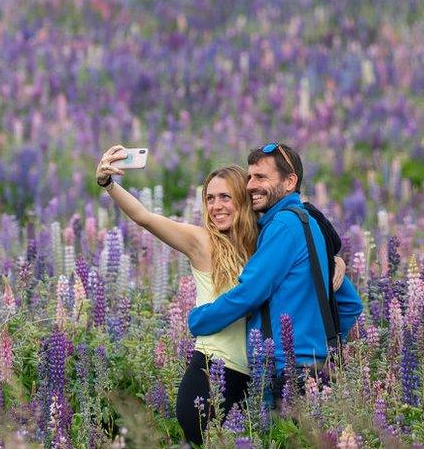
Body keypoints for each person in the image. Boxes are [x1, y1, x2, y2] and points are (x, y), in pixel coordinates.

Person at [94, 145, 347, 446]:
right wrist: (108, 184)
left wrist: (335, 261)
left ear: (243, 200)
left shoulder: (261, 243)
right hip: (209, 374)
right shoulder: (202, 241)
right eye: (210, 199)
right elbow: (145, 217)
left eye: (225, 197)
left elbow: (300, 263)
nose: (216, 206)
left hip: (253, 383)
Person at [187, 143, 364, 404]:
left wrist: (199, 320)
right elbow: (349, 303)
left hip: (283, 374)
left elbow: (249, 293)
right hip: (317, 374)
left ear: (290, 181)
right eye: (249, 177)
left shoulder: (283, 226)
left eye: (261, 177)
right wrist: (318, 347)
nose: (250, 186)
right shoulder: (308, 222)